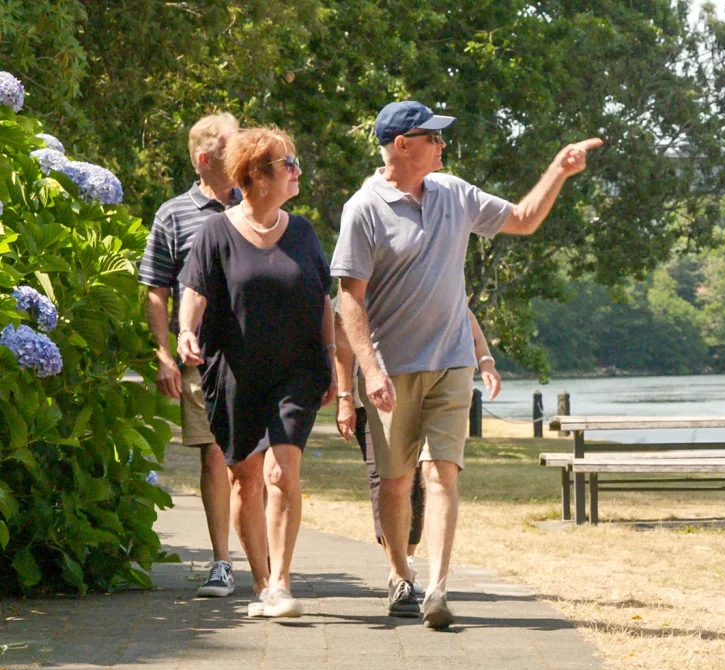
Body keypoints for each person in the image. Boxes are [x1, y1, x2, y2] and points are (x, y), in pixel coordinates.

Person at [333, 100, 599, 629]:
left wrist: (559, 170)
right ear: (401, 145)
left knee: (441, 473)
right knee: (394, 479)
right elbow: (349, 299)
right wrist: (369, 369)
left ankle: (437, 587)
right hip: (392, 367)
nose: (442, 144)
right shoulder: (363, 208)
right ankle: (400, 575)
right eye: (432, 137)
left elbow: (522, 220)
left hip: (452, 362)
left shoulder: (454, 192)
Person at [177, 127, 336, 619]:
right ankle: (262, 582)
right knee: (246, 479)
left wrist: (331, 359)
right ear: (257, 175)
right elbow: (195, 291)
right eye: (288, 164)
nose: (297, 172)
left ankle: (282, 584)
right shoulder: (216, 232)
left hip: (296, 370)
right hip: (235, 374)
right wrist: (186, 332)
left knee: (281, 469)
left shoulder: (304, 232)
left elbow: (325, 300)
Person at [139, 113, 241, 598]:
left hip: (258, 355)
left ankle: (266, 563)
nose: (244, 148)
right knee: (215, 455)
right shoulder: (173, 213)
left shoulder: (257, 203)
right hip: (202, 357)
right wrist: (164, 354)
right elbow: (155, 291)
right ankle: (222, 561)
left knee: (260, 462)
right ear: (206, 159)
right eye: (233, 143)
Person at [333, 304, 501, 596]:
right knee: (387, 480)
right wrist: (345, 396)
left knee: (427, 478)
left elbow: (464, 312)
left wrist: (485, 359)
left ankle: (406, 564)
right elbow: (343, 336)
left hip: (426, 381)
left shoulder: (431, 278)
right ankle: (398, 567)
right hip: (372, 398)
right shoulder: (361, 279)